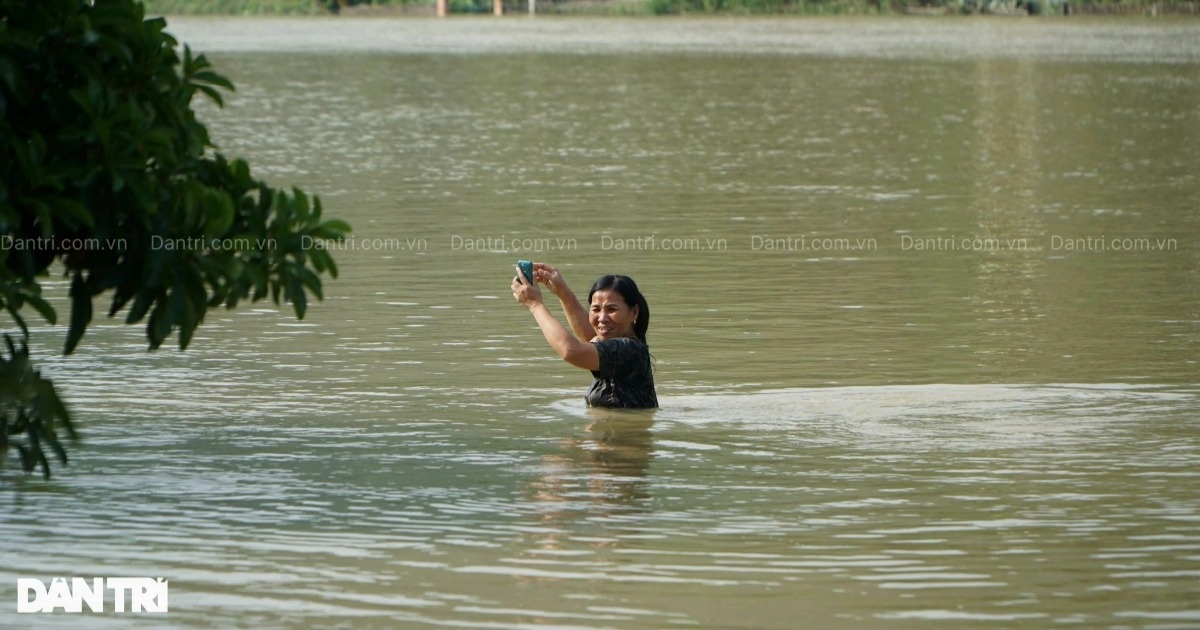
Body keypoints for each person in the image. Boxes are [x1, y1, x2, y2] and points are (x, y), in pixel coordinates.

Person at [511, 263, 658, 409]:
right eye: (595, 309)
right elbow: (590, 338)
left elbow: (572, 352)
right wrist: (563, 293)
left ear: (634, 312)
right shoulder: (622, 347)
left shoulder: (628, 349)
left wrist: (535, 305)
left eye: (611, 309)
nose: (602, 318)